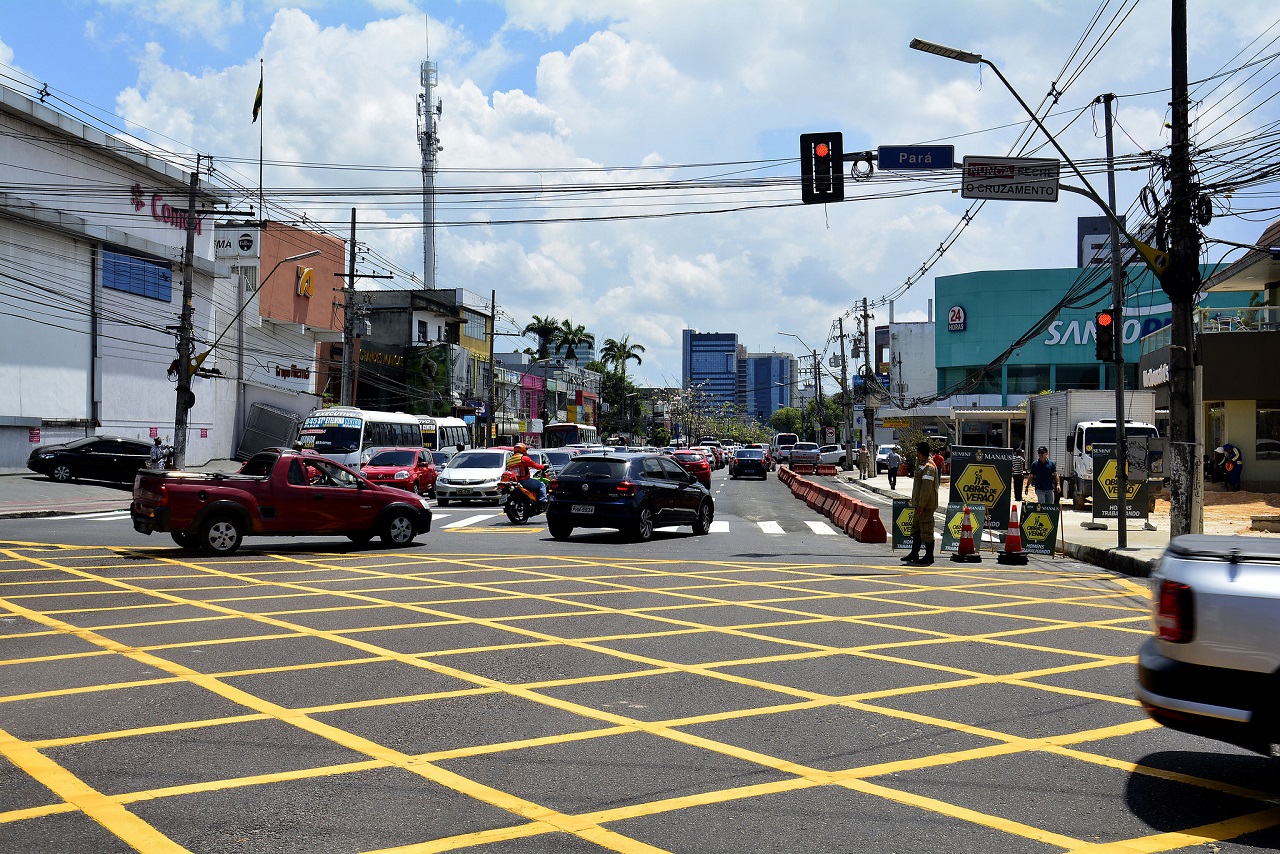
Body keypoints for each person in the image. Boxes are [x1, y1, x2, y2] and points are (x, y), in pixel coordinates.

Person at [903, 441, 939, 566]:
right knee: (917, 529)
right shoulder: (922, 464)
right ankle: (914, 553)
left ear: (920, 452)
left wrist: (922, 505)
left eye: (917, 452)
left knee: (927, 530)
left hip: (926, 506)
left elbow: (926, 488)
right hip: (919, 505)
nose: (916, 454)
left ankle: (929, 556)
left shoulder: (929, 467)